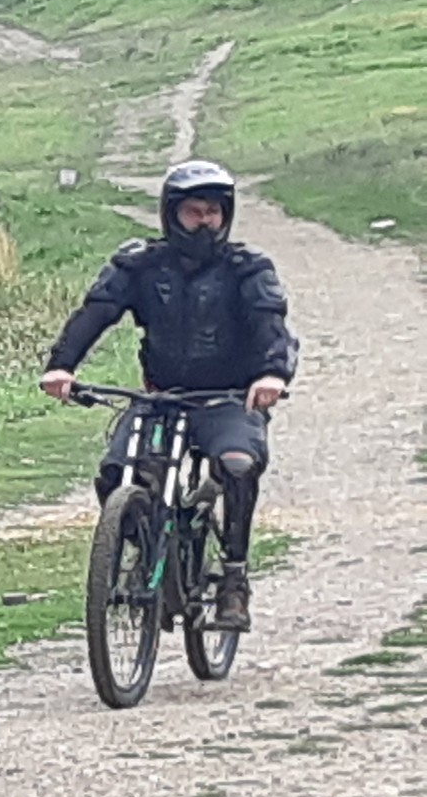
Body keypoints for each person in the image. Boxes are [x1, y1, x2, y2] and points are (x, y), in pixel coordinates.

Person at [39, 160, 299, 632]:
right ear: (171, 215)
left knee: (238, 467)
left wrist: (272, 375)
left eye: (213, 212)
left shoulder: (248, 268)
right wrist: (62, 365)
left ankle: (233, 580)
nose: (204, 221)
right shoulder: (138, 264)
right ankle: (150, 553)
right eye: (194, 211)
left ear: (226, 216)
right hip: (161, 398)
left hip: (229, 398)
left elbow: (272, 326)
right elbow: (96, 312)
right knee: (114, 475)